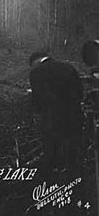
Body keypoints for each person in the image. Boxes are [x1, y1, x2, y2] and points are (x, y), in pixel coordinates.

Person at [28, 51, 84, 180]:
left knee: (51, 151)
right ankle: (77, 183)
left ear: (35, 61)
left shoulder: (36, 73)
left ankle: (49, 184)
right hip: (73, 116)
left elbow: (36, 101)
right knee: (73, 152)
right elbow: (80, 92)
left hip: (51, 119)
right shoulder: (68, 67)